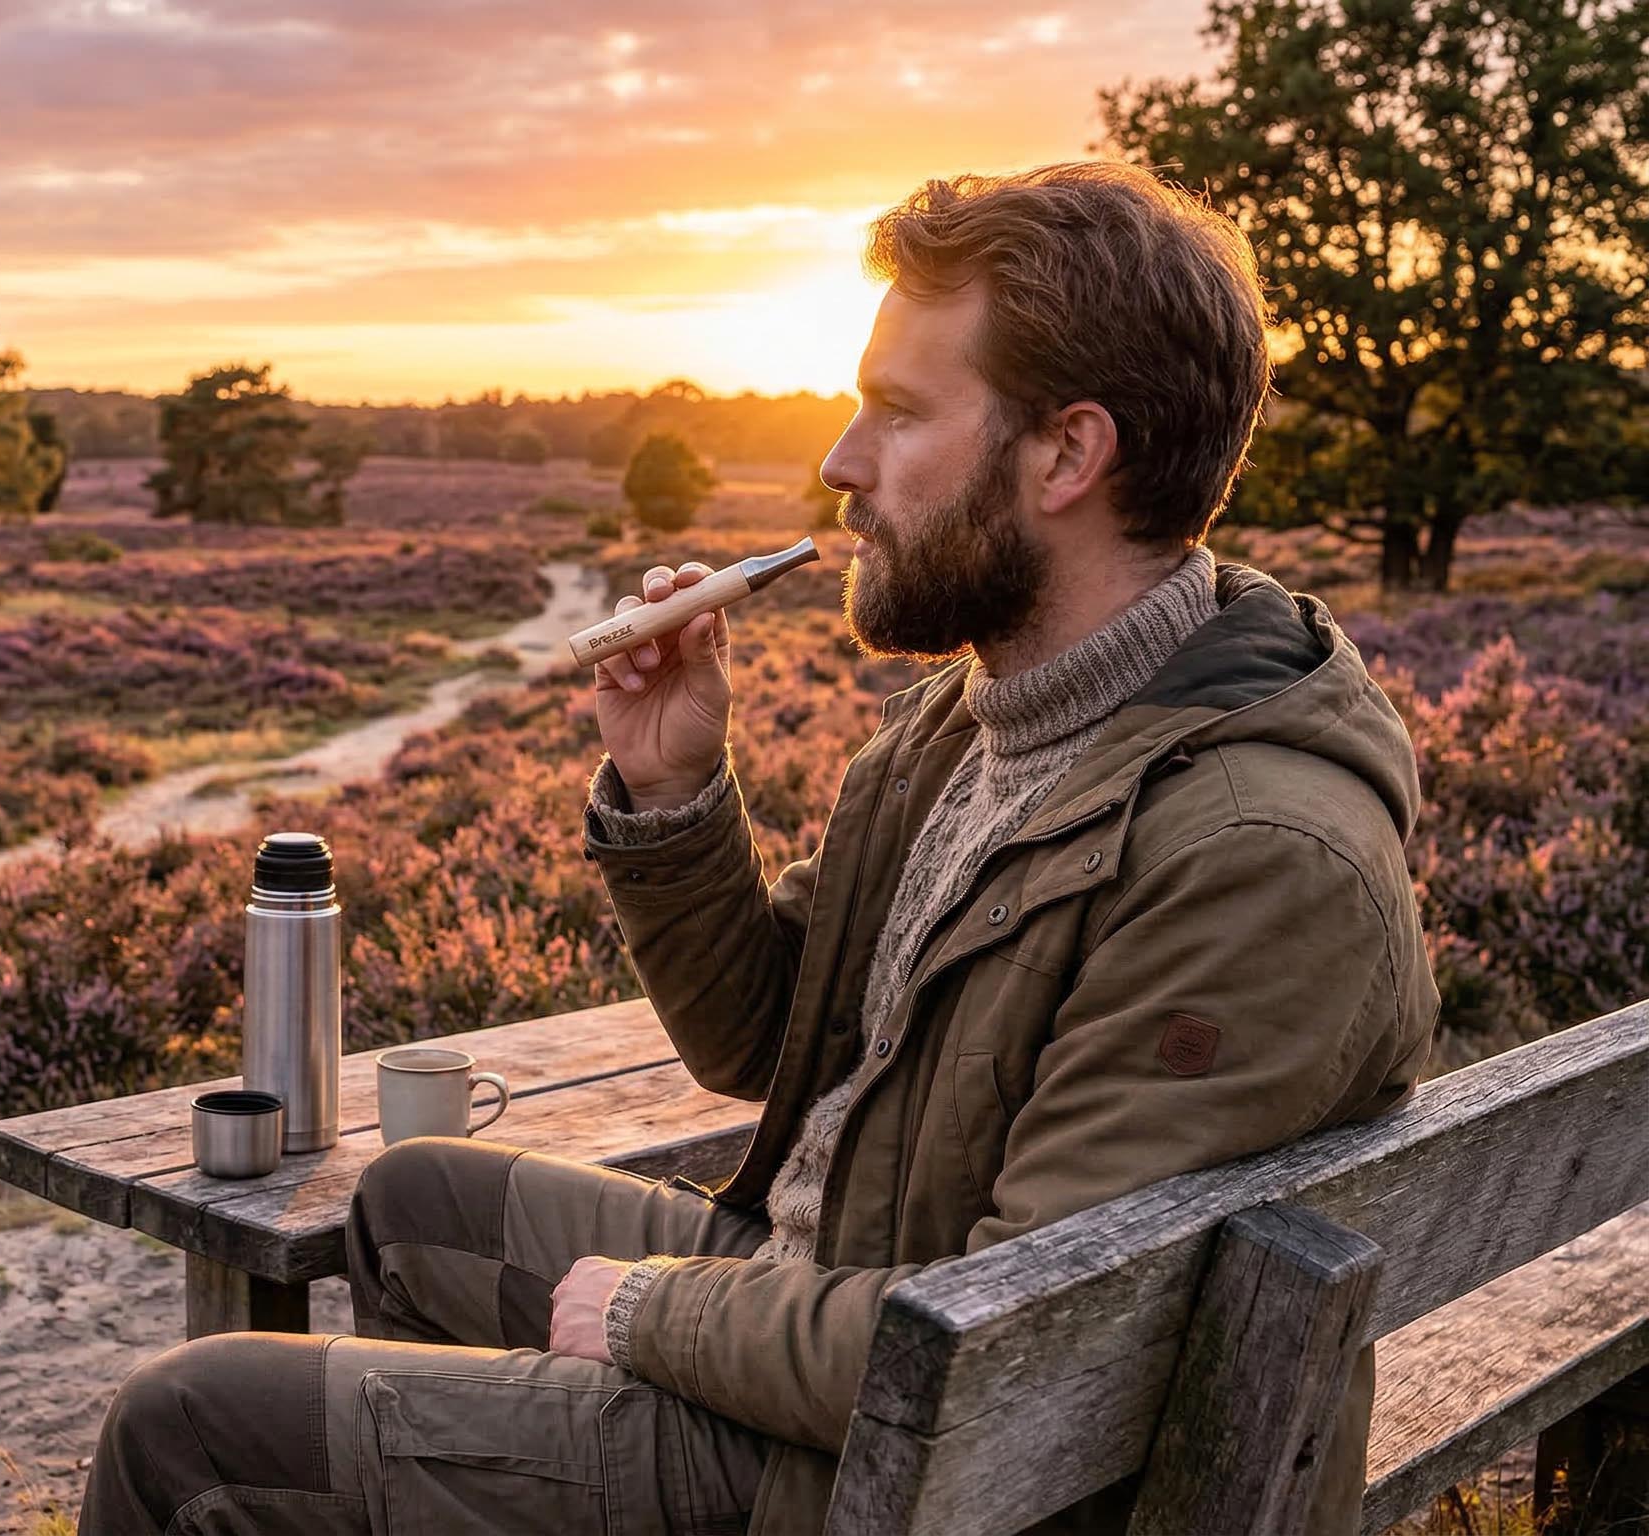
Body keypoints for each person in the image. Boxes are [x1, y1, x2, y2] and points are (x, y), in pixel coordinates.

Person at [78, 160, 1437, 1535]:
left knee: (184, 1438)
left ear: (1068, 456)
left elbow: (1007, 1350)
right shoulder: (973, 729)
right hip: (838, 1281)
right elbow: (763, 1042)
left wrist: (661, 1315)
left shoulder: (1257, 858)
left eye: (898, 413)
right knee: (413, 1201)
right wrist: (671, 788)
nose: (842, 463)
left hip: (896, 1470)